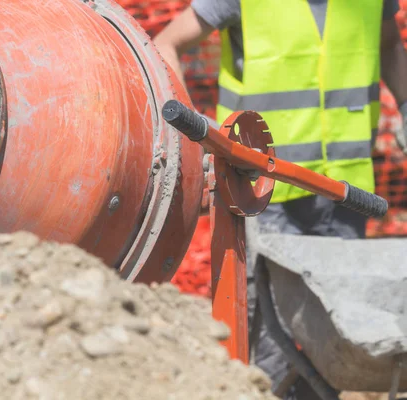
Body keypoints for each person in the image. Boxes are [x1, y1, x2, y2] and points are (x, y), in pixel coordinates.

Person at [154, 1, 407, 399]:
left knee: (335, 330)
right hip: (263, 191)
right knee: (268, 334)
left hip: (344, 187)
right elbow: (166, 44)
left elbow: (391, 44)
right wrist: (194, 137)